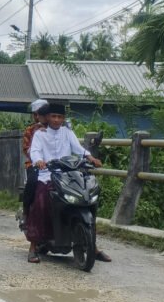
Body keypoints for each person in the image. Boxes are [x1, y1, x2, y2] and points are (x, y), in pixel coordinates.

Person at [25, 102, 111, 264]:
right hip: (47, 174)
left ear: (64, 118)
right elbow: (34, 151)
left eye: (60, 117)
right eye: (53, 116)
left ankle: (93, 245)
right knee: (41, 201)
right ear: (48, 117)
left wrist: (90, 158)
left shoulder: (67, 132)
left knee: (87, 199)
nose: (57, 120)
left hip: (69, 175)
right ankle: (33, 246)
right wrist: (39, 161)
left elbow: (78, 148)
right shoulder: (40, 134)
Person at [19, 99, 49, 231]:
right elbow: (27, 149)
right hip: (35, 164)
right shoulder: (31, 130)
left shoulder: (58, 128)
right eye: (38, 114)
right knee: (32, 182)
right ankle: (26, 210)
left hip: (55, 164)